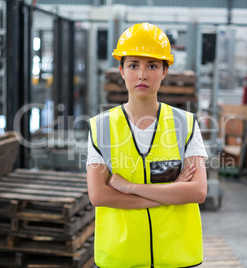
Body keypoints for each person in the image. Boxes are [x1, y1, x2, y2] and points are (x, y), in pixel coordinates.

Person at [86, 22, 208, 268]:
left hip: (176, 258)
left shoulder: (185, 124)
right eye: (133, 65)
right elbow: (99, 196)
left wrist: (128, 187)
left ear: (164, 71)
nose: (142, 75)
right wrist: (172, 193)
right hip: (120, 258)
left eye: (152, 66)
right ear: (121, 70)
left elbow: (197, 192)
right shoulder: (101, 127)